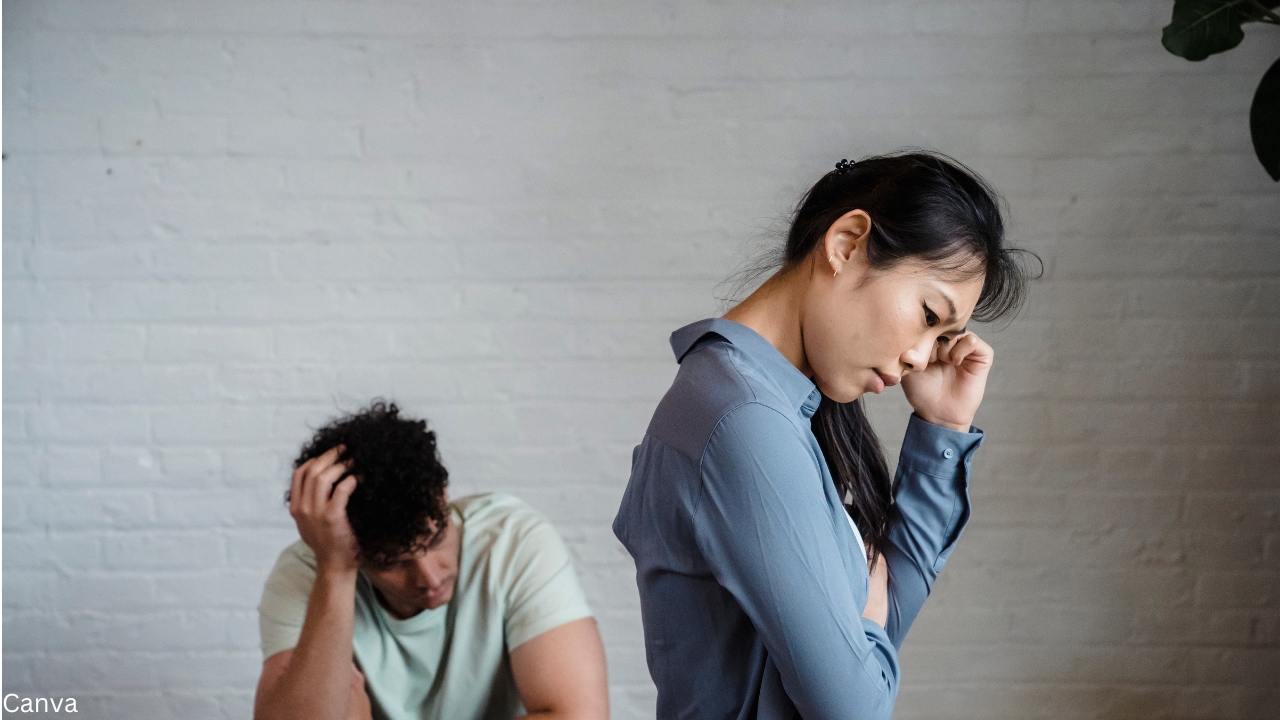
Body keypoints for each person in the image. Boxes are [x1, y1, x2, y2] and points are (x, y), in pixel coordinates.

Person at [613, 152, 1035, 719]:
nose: (919, 356)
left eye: (943, 338)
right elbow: (855, 707)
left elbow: (880, 632)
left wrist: (943, 427)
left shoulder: (768, 407)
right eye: (930, 315)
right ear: (846, 243)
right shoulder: (745, 421)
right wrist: (867, 611)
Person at [254, 401, 609, 720]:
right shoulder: (307, 574)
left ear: (444, 494)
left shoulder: (511, 542)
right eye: (391, 561)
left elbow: (580, 716)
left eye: (437, 539)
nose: (428, 576)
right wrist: (335, 571)